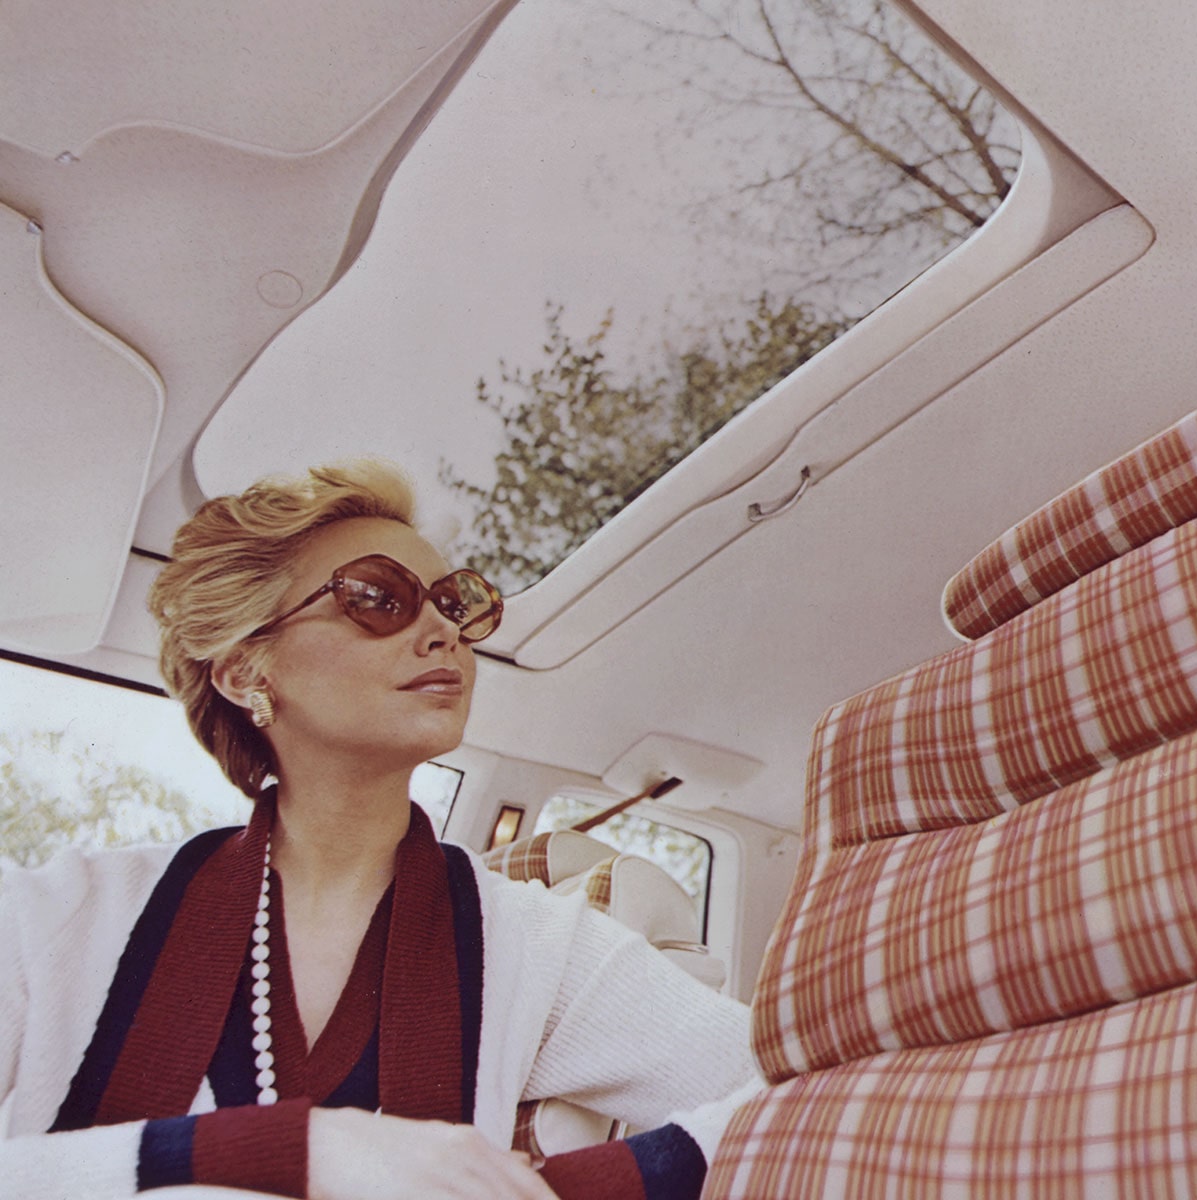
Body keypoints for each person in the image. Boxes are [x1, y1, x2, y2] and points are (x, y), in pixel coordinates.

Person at [0, 461, 760, 1200]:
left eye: (454, 604)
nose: (444, 631)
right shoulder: (51, 917)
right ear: (245, 671)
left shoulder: (535, 946)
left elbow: (786, 1087)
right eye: (377, 597)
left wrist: (546, 1190)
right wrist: (293, 1152)